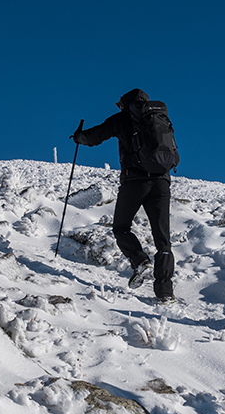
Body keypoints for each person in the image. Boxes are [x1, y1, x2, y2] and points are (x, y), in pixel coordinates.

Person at [72, 89, 176, 304]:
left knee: (121, 227)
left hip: (134, 182)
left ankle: (140, 261)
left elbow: (95, 136)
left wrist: (79, 137)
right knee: (163, 241)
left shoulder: (122, 118)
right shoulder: (159, 118)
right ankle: (165, 292)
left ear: (125, 104)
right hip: (162, 181)